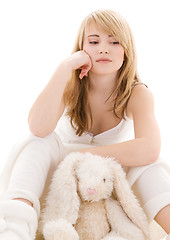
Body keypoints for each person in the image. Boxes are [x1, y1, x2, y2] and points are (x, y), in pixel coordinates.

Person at [0, 9, 169, 240]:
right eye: (93, 41)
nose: (103, 48)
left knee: (150, 165)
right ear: (81, 47)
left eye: (114, 41)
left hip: (104, 184)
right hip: (62, 180)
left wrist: (85, 154)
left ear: (126, 51)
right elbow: (37, 127)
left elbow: (149, 148)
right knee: (37, 141)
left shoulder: (137, 93)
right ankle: (15, 227)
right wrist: (65, 66)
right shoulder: (69, 84)